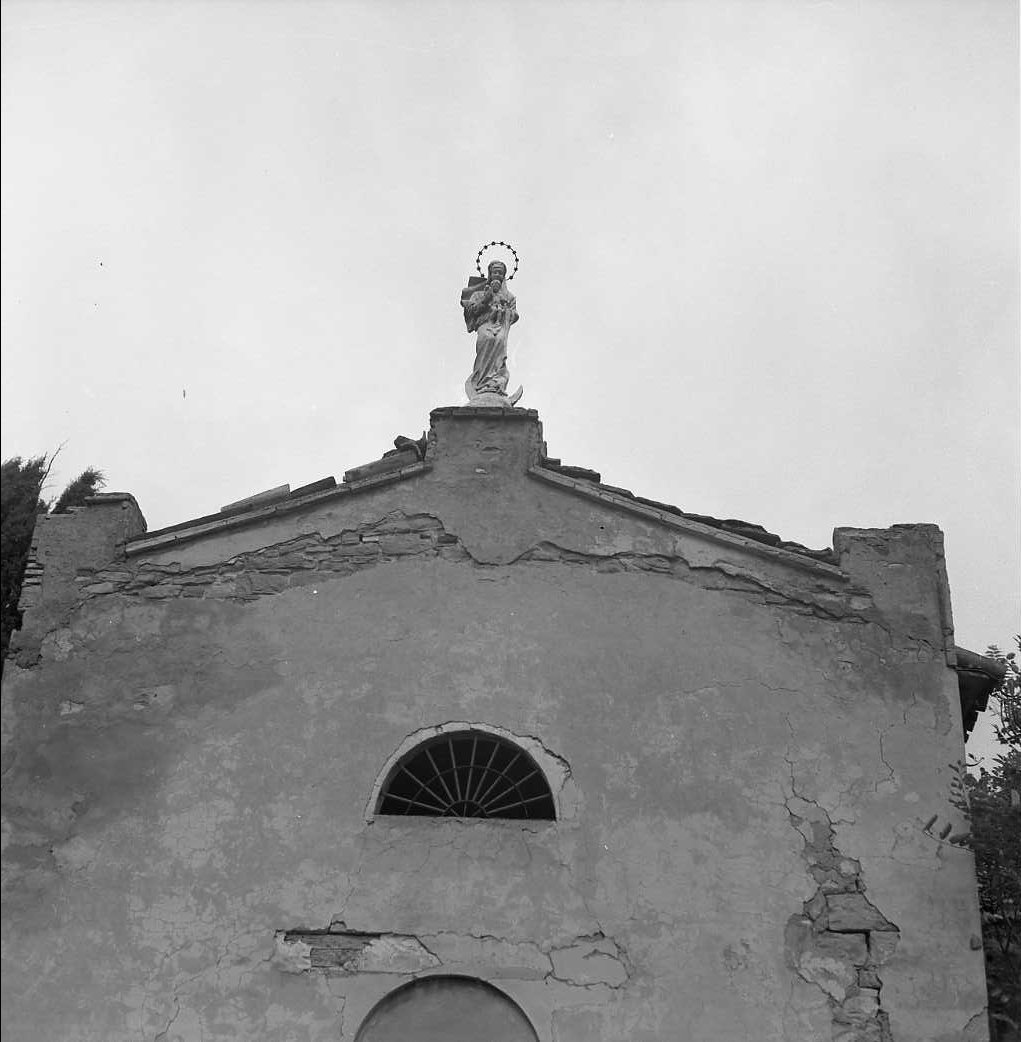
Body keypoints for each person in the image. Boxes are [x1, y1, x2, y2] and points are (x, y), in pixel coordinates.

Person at [460, 260, 519, 401]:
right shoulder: (479, 294)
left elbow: (515, 314)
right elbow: (472, 310)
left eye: (500, 273)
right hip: (485, 324)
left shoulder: (509, 296)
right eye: (494, 272)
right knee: (487, 340)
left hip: (501, 325)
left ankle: (495, 382)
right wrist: (486, 299)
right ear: (490, 274)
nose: (497, 275)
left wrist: (505, 312)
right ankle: (481, 383)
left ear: (504, 276)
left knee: (498, 345)